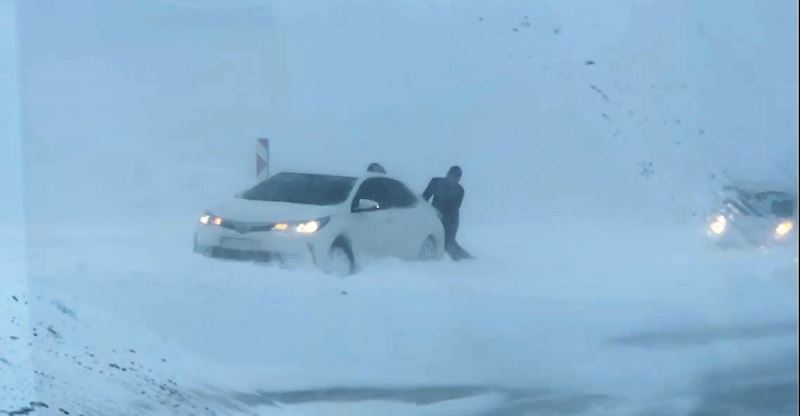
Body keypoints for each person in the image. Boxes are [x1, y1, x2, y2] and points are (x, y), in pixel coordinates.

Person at [423, 166, 472, 260]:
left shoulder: (460, 190)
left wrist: (441, 215)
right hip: (434, 217)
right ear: (447, 175)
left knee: (448, 244)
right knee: (439, 242)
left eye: (457, 178)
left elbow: (454, 207)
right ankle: (466, 261)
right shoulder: (436, 182)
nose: (454, 180)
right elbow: (425, 197)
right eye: (453, 177)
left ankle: (465, 261)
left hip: (451, 220)